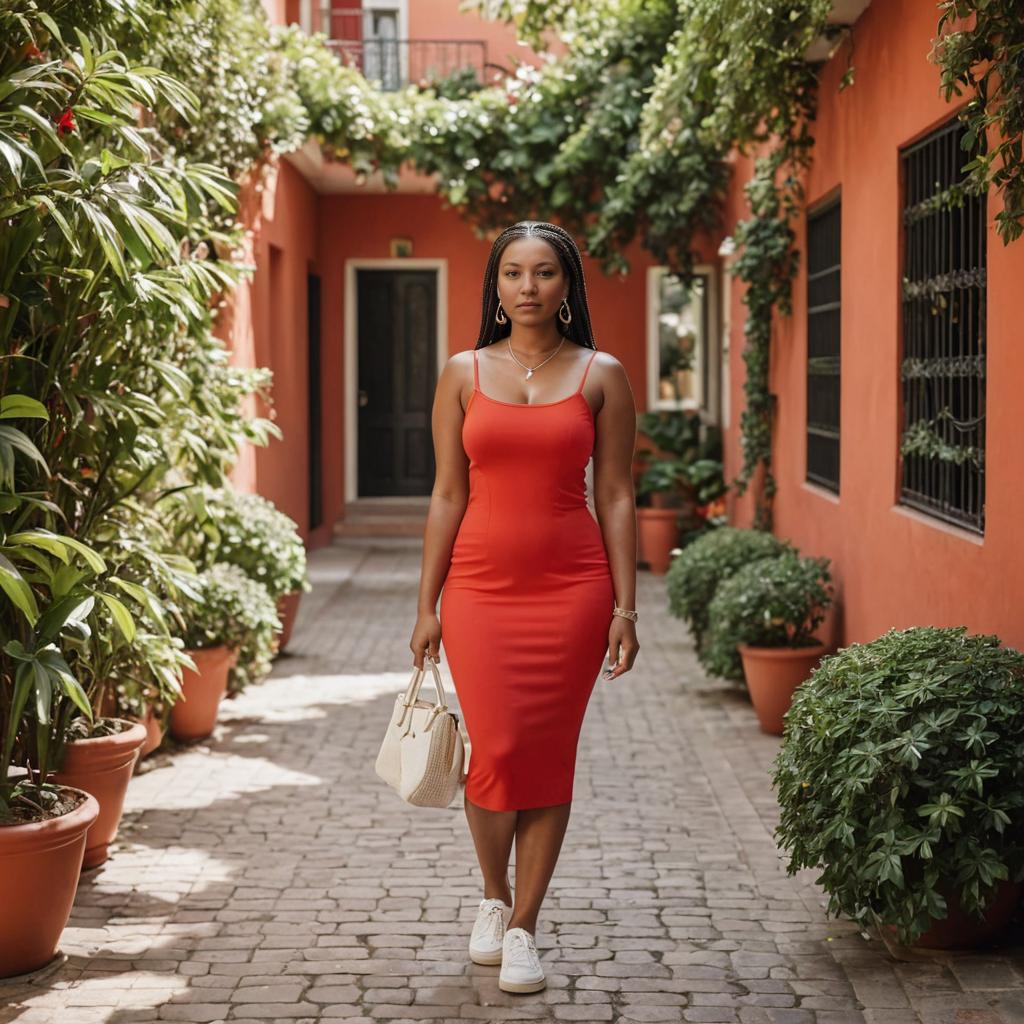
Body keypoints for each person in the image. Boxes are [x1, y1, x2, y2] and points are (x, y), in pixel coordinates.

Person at [409, 220, 640, 993]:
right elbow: (447, 492)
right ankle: (493, 894)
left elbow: (615, 494)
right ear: (496, 287)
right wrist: (426, 605)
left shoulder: (601, 374)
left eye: (544, 273)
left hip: (574, 591)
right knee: (497, 749)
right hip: (478, 590)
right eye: (513, 273)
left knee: (546, 754)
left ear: (567, 285)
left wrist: (626, 609)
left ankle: (523, 929)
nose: (529, 287)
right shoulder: (463, 372)